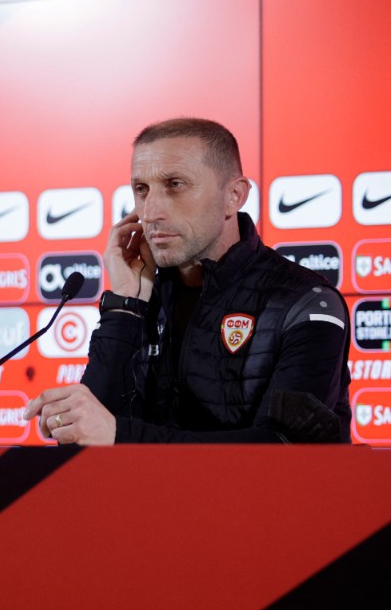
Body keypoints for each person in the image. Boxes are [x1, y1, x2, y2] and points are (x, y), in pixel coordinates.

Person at [24, 118, 351, 444]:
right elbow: (90, 444)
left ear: (234, 196)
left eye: (175, 185)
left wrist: (120, 435)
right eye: (141, 190)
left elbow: (286, 450)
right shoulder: (141, 297)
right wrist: (126, 302)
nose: (150, 212)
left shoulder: (306, 302)